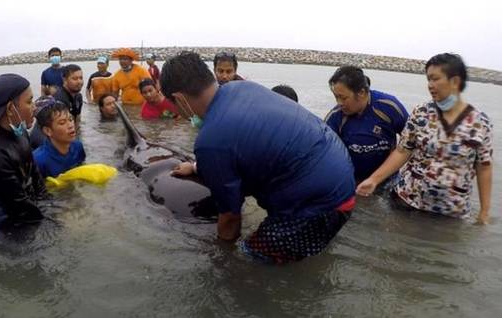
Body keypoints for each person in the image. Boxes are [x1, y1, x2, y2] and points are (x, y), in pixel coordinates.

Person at [162, 52, 355, 263]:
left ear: (180, 98)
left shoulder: (210, 141)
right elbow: (253, 149)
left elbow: (230, 218)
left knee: (250, 258)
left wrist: (221, 256)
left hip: (322, 206)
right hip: (342, 175)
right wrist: (199, 167)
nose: (179, 112)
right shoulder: (244, 88)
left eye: (175, 106)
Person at [357, 53, 493, 224]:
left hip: (450, 212)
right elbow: (402, 150)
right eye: (428, 79)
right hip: (407, 201)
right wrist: (374, 179)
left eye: (435, 79)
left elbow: (484, 167)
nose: (430, 85)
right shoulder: (421, 113)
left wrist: (484, 211)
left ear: (455, 81)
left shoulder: (480, 123)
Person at [0, 74, 50, 231]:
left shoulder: (19, 130)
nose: (34, 107)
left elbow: (35, 175)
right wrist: (55, 222)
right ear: (10, 109)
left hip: (22, 205)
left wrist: (51, 202)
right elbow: (18, 206)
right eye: (29, 101)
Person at [324, 66, 408, 182]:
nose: (339, 103)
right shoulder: (335, 117)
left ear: (362, 92)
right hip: (353, 180)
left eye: (343, 98)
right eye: (336, 97)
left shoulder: (389, 107)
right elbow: (322, 153)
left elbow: (412, 141)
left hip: (387, 179)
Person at [33, 100, 85, 178]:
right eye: (62, 123)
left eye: (70, 119)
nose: (70, 125)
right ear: (48, 131)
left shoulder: (78, 147)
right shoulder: (39, 161)